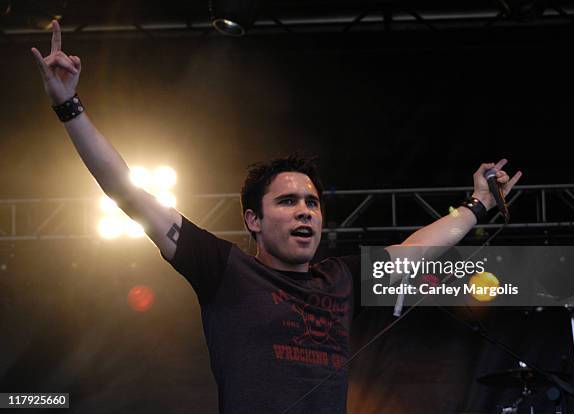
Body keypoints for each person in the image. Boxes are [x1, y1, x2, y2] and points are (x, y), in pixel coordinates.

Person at [31, 21, 522, 414]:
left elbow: (418, 249)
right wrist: (68, 106)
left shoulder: (341, 279)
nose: (305, 210)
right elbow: (128, 192)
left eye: (311, 202)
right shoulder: (223, 268)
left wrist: (476, 204)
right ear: (253, 221)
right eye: (287, 202)